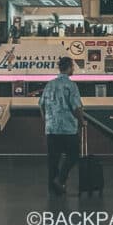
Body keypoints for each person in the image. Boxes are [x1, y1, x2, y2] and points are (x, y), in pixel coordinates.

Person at [38, 56, 85, 195]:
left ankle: (53, 189)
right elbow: (76, 107)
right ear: (69, 67)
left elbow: (41, 105)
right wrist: (82, 121)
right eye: (73, 66)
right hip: (68, 128)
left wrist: (47, 121)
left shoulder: (49, 84)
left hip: (51, 129)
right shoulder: (71, 85)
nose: (74, 69)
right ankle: (60, 180)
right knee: (74, 155)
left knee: (53, 159)